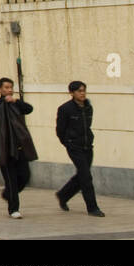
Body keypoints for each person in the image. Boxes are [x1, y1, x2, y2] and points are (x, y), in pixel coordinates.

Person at [55, 81, 105, 217]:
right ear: (72, 93)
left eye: (83, 90)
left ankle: (63, 195)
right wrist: (68, 143)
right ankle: (93, 208)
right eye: (79, 91)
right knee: (86, 177)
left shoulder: (88, 107)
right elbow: (60, 130)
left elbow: (87, 126)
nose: (82, 93)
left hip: (87, 146)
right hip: (74, 147)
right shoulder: (65, 109)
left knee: (83, 175)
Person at [0, 77, 37, 218]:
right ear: (0, 89)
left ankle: (8, 194)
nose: (9, 90)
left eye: (11, 87)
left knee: (24, 176)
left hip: (20, 147)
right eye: (6, 87)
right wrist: (6, 102)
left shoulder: (17, 104)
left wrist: (16, 101)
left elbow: (29, 109)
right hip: (5, 148)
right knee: (11, 180)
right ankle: (14, 209)